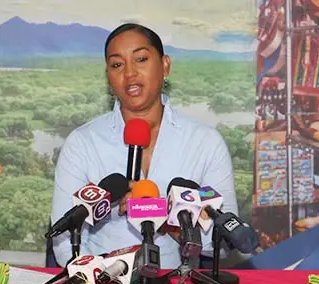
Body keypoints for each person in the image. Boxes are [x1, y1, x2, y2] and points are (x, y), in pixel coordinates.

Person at [50, 23, 239, 269]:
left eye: (140, 59)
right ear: (108, 76)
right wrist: (105, 278)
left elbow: (222, 244)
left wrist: (164, 219)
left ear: (165, 66)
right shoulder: (83, 143)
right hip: (103, 282)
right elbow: (65, 242)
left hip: (178, 283)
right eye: (117, 64)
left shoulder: (205, 142)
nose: (129, 73)